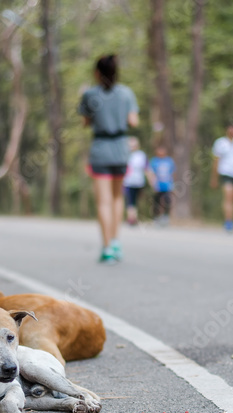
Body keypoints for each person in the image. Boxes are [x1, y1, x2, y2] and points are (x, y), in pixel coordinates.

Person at [77, 54, 139, 263]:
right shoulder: (126, 93)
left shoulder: (90, 95)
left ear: (97, 73)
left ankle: (107, 248)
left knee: (103, 202)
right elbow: (133, 121)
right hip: (121, 149)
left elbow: (85, 123)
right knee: (117, 197)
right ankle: (115, 242)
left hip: (101, 150)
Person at [147, 143, 175, 226]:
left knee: (167, 201)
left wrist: (173, 184)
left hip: (167, 185)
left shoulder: (169, 161)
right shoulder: (154, 161)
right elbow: (151, 173)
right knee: (156, 202)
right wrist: (153, 183)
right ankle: (156, 218)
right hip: (158, 185)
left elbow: (173, 173)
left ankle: (165, 217)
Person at [123, 137, 147, 226]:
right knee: (129, 201)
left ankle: (134, 217)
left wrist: (153, 180)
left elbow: (146, 168)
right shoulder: (125, 154)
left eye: (133, 145)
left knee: (135, 201)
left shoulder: (141, 155)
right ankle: (131, 218)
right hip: (127, 182)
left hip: (139, 182)